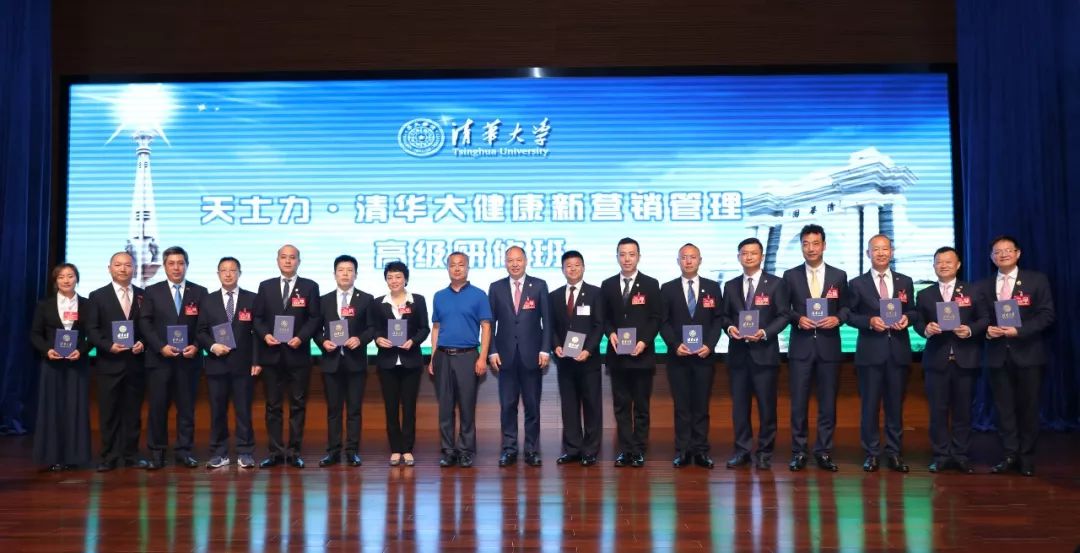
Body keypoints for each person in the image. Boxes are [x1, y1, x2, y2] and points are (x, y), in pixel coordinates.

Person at [980, 235, 1055, 477]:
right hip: (997, 356)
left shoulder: (1036, 280)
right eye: (997, 252)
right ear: (992, 257)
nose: (1002, 254)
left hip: (1028, 354)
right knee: (1004, 409)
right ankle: (1009, 454)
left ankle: (1026, 457)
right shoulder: (984, 285)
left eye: (1007, 250)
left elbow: (1047, 315)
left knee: (1029, 408)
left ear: (1018, 253)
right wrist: (987, 330)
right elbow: (980, 318)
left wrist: (1018, 330)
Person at [913, 246, 987, 474]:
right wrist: (926, 329)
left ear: (958, 265)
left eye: (948, 261)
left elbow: (984, 318)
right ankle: (941, 455)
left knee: (963, 411)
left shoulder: (973, 290)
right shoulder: (925, 294)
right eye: (939, 262)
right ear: (934, 265)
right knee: (938, 411)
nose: (943, 265)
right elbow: (918, 322)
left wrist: (970, 329)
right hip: (936, 361)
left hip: (966, 360)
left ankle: (961, 455)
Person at [847, 234, 917, 473]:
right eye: (875, 249)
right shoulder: (857, 283)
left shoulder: (905, 281)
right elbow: (849, 315)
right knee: (870, 406)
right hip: (870, 354)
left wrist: (907, 318)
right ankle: (872, 453)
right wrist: (869, 321)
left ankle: (894, 453)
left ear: (892, 252)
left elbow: (914, 311)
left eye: (885, 249)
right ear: (868, 253)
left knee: (895, 406)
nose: (880, 253)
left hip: (898, 352)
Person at [781, 224, 848, 472]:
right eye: (806, 244)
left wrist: (837, 318)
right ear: (801, 246)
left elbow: (847, 308)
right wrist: (798, 318)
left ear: (824, 245)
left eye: (815, 243)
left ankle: (824, 451)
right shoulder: (790, 276)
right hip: (801, 348)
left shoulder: (839, 276)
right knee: (799, 403)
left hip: (829, 348)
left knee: (827, 403)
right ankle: (799, 451)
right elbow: (783, 309)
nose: (811, 248)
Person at [721, 237, 791, 470]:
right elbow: (724, 316)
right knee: (740, 408)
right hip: (738, 355)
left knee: (766, 407)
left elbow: (784, 315)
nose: (748, 257)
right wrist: (730, 328)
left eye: (753, 253)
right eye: (744, 253)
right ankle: (742, 451)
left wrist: (764, 332)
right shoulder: (730, 285)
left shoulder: (776, 284)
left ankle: (764, 452)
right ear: (738, 257)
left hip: (765, 354)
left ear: (761, 256)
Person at [137, 246, 208, 470]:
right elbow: (145, 323)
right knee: (158, 408)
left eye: (180, 263)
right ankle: (157, 453)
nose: (176, 267)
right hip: (160, 361)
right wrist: (160, 347)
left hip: (189, 361)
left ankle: (184, 451)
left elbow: (204, 325)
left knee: (186, 409)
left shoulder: (200, 292)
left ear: (187, 265)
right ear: (165, 266)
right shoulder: (152, 291)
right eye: (171, 263)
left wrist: (196, 346)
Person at [253, 244, 322, 469]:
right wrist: (266, 335)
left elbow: (315, 318)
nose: (288, 261)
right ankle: (275, 452)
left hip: (298, 355)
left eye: (292, 257)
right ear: (277, 260)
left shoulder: (310, 287)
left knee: (297, 405)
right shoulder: (265, 286)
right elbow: (257, 319)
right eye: (284, 257)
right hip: (271, 355)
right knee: (273, 406)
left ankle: (293, 452)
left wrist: (301, 337)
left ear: (298, 261)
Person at [659, 243, 724, 469]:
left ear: (700, 260)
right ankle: (683, 450)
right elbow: (663, 322)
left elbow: (718, 319)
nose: (688, 261)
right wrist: (675, 345)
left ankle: (701, 450)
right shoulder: (667, 289)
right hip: (678, 358)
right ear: (678, 261)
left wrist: (710, 345)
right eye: (684, 257)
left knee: (701, 406)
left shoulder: (713, 287)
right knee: (682, 407)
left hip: (704, 357)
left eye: (692, 257)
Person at [600, 237, 662, 468]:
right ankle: (625, 450)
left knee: (641, 407)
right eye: (622, 254)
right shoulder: (607, 285)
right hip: (618, 356)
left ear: (639, 256)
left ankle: (639, 450)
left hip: (642, 356)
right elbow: (604, 318)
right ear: (617, 257)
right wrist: (610, 334)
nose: (627, 259)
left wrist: (644, 341)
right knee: (621, 406)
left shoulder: (651, 284)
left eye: (631, 254)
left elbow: (656, 318)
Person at [488, 246, 552, 468]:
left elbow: (547, 321)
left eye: (518, 260)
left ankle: (532, 450)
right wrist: (492, 350)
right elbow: (490, 324)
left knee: (532, 406)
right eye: (510, 260)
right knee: (508, 405)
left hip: (532, 356)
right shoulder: (496, 288)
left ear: (525, 261)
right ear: (505, 263)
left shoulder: (539, 285)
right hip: (505, 357)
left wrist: (545, 349)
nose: (514, 264)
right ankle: (509, 449)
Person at [85, 252, 148, 471]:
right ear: (109, 268)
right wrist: (108, 346)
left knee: (133, 413)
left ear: (134, 269)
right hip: (108, 364)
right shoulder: (97, 296)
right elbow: (92, 329)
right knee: (108, 412)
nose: (123, 269)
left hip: (135, 364)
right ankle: (108, 456)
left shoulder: (143, 295)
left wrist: (143, 343)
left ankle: (131, 455)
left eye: (128, 265)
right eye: (118, 265)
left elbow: (149, 327)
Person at [428, 251, 492, 469]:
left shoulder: (479, 295)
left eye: (461, 265)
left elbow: (486, 327)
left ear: (467, 268)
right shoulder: (439, 296)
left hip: (468, 356)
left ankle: (465, 451)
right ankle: (448, 451)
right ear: (447, 269)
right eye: (453, 265)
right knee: (445, 407)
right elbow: (436, 328)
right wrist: (433, 357)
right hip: (443, 357)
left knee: (466, 406)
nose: (457, 268)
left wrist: (482, 357)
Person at [196, 256, 259, 469]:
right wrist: (213, 346)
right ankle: (219, 453)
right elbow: (200, 331)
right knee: (217, 411)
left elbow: (258, 333)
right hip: (217, 364)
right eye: (224, 270)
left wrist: (256, 361)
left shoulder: (252, 299)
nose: (228, 274)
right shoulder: (208, 300)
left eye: (233, 270)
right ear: (218, 274)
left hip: (243, 365)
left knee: (244, 411)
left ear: (239, 273)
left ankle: (245, 452)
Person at [29, 263, 94, 471]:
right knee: (52, 408)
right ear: (55, 281)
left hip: (77, 364)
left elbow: (93, 335)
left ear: (77, 279)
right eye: (61, 277)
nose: (66, 280)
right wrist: (47, 350)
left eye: (70, 276)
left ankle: (75, 456)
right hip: (52, 364)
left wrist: (81, 351)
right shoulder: (44, 305)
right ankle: (53, 456)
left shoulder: (87, 305)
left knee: (76, 408)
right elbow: (35, 334)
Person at [316, 254, 374, 467]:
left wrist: (360, 339)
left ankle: (352, 451)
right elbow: (316, 330)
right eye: (341, 270)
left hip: (355, 362)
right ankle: (333, 452)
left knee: (354, 410)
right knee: (333, 410)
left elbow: (372, 328)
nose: (345, 274)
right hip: (331, 362)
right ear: (334, 274)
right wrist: (323, 342)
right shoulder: (324, 300)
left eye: (350, 270)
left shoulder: (366, 299)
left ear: (356, 274)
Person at [370, 261, 430, 467]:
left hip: (410, 361)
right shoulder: (378, 303)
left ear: (406, 279)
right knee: (391, 407)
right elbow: (374, 328)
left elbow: (424, 328)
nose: (394, 281)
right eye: (390, 277)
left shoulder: (417, 300)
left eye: (398, 277)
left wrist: (413, 341)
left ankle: (408, 448)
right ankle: (395, 448)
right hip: (387, 362)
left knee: (409, 407)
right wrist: (378, 339)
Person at [549, 250, 604, 466]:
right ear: (563, 269)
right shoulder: (554, 296)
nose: (572, 269)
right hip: (565, 362)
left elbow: (599, 325)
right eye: (568, 266)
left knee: (591, 406)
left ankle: (590, 450)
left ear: (583, 267)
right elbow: (551, 326)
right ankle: (572, 449)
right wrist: (555, 346)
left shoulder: (595, 293)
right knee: (569, 406)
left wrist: (588, 349)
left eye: (576, 265)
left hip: (588, 360)